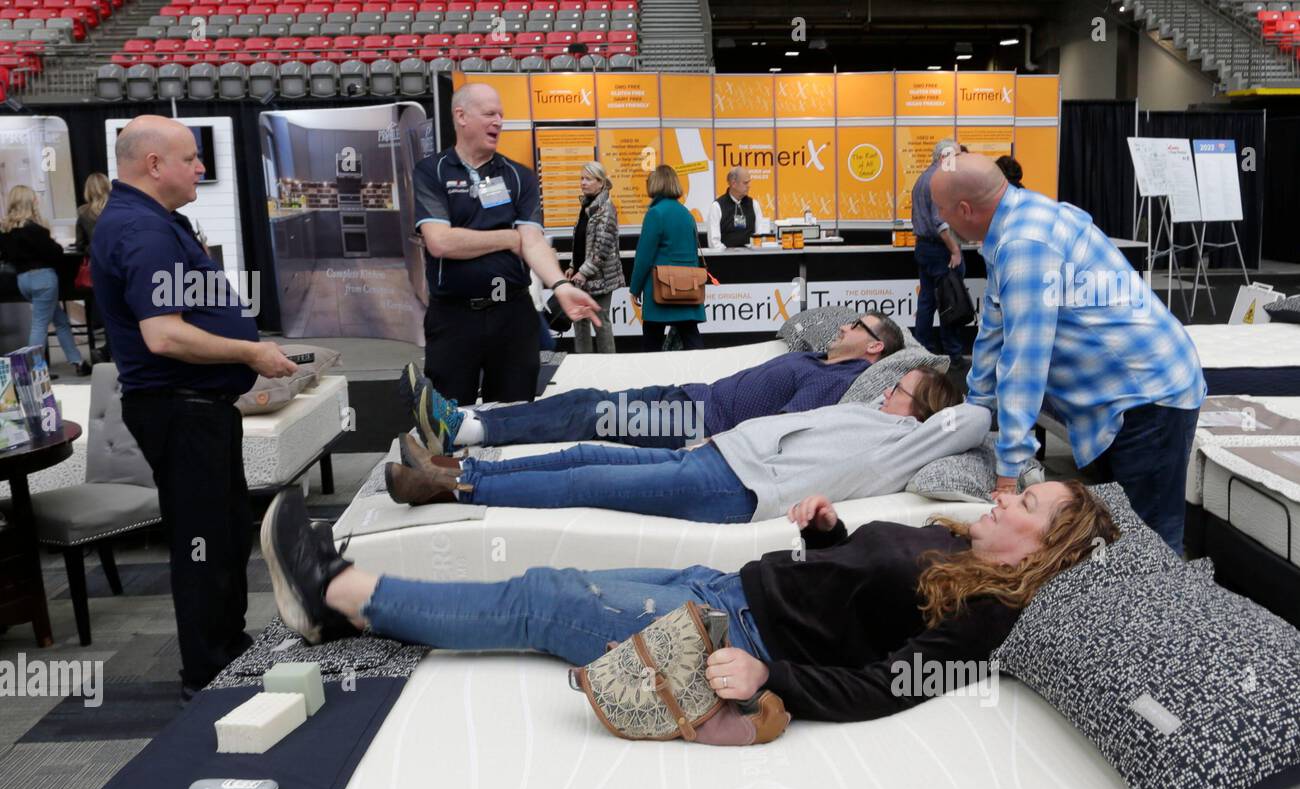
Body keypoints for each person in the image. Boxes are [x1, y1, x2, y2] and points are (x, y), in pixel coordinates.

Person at [261, 479, 1117, 722]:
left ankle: (338, 590)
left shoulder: (991, 618)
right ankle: (345, 605)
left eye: (1028, 505)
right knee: (545, 591)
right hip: (730, 585)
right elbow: (858, 587)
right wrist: (827, 531)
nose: (1006, 496)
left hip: (733, 629)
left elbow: (886, 685)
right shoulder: (959, 543)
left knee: (544, 600)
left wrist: (768, 674)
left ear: (1046, 549)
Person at [91, 115, 297, 701]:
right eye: (191, 158)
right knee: (203, 540)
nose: (201, 167)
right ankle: (208, 673)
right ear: (154, 165)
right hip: (179, 410)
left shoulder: (156, 222)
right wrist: (252, 351)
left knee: (225, 532)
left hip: (196, 407)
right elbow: (164, 336)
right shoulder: (143, 230)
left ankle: (227, 648)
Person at [930, 152, 1206, 553]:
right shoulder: (1014, 223)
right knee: (1117, 528)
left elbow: (1024, 362)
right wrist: (974, 421)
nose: (937, 218)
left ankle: (1173, 613)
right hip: (1133, 388)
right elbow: (993, 334)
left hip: (1148, 393)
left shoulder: (1026, 244)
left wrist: (1008, 472)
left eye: (939, 209)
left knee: (1151, 542)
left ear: (966, 210)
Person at [386, 367, 989, 525]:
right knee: (581, 455)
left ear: (924, 405)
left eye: (902, 389)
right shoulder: (868, 411)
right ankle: (451, 462)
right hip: (719, 452)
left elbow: (972, 419)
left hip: (734, 486)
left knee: (585, 482)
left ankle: (451, 485)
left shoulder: (905, 441)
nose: (888, 394)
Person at [404, 312, 905, 454]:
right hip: (690, 400)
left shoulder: (840, 376)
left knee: (585, 413)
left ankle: (467, 431)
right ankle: (469, 421)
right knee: (585, 400)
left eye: (857, 326)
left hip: (694, 421)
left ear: (874, 347)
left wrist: (715, 445)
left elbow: (785, 427)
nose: (843, 326)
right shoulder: (815, 356)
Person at [413, 83, 601, 406]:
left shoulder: (519, 177)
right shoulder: (433, 172)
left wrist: (559, 285)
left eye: (501, 114)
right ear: (461, 116)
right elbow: (440, 242)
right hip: (453, 318)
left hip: (512, 316)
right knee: (450, 417)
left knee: (515, 415)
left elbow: (533, 242)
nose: (498, 121)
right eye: (489, 114)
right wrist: (508, 237)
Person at [0, 185, 90, 377]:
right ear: (29, 202)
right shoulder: (37, 230)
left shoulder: (6, 232)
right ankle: (34, 370)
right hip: (44, 280)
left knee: (60, 320)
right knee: (40, 324)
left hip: (23, 281)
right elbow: (55, 253)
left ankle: (78, 361)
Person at [629, 165, 706, 352]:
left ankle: (652, 379)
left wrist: (635, 288)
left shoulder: (656, 213)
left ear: (655, 184)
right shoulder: (686, 214)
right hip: (688, 287)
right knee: (691, 338)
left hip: (660, 287)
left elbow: (644, 256)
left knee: (652, 340)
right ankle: (701, 377)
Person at [910, 139, 967, 366]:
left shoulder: (922, 178)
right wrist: (955, 250)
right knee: (950, 301)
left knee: (926, 302)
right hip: (940, 249)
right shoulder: (940, 181)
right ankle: (952, 354)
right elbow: (940, 222)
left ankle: (922, 350)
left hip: (924, 247)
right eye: (957, 157)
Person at [565, 161, 623, 354]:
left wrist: (582, 272)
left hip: (600, 279)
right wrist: (574, 266)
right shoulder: (586, 206)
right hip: (582, 276)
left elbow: (601, 249)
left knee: (600, 321)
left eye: (588, 179)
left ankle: (608, 365)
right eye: (581, 178)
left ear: (600, 182)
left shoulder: (606, 209)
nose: (583, 183)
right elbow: (581, 242)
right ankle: (583, 363)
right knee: (580, 321)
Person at [75, 172, 112, 362]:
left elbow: (80, 243)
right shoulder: (117, 208)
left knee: (107, 310)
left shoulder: (83, 212)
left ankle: (106, 350)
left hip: (99, 267)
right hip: (121, 263)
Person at [706, 167, 767, 250]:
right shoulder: (717, 206)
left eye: (749, 182)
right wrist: (730, 253)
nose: (749, 186)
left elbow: (760, 236)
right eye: (745, 183)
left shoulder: (754, 204)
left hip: (751, 257)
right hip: (725, 259)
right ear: (733, 183)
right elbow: (714, 242)